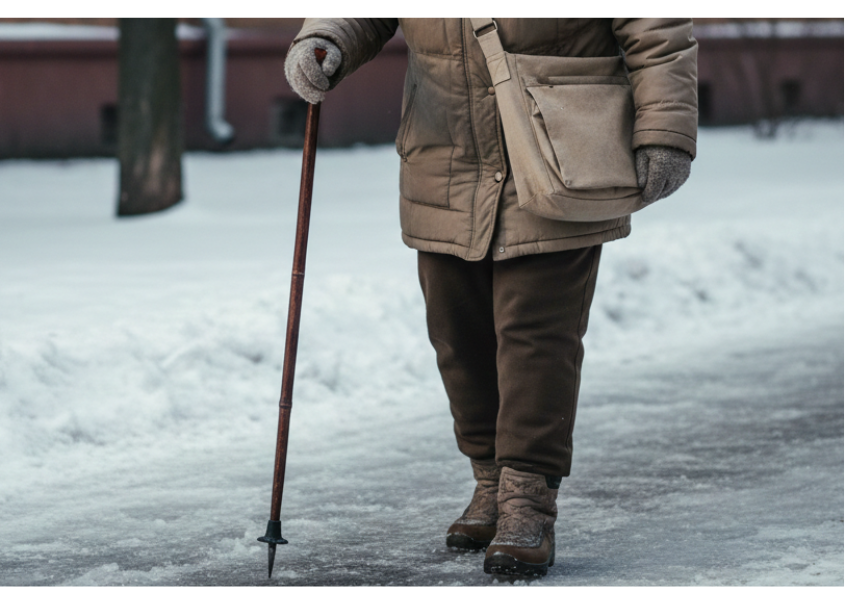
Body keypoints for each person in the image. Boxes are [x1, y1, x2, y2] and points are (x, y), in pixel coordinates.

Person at [284, 18, 697, 578]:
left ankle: (528, 500)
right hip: (444, 154)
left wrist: (664, 130)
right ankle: (490, 481)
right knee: (457, 333)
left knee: (536, 336)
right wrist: (327, 39)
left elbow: (657, 28)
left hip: (559, 148)